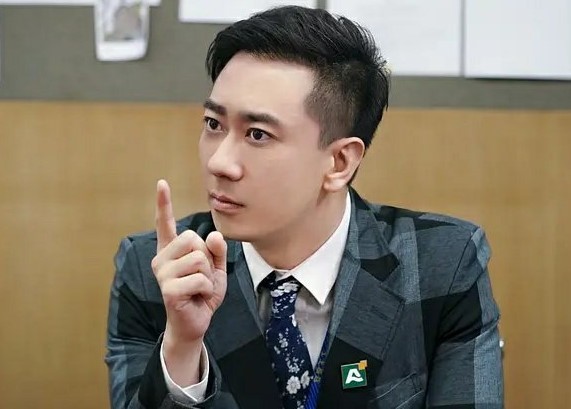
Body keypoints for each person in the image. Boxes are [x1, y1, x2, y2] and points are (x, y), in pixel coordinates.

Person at [105, 5, 503, 409]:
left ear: (339, 162)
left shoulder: (442, 265)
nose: (219, 162)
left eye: (257, 134)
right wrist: (182, 348)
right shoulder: (156, 270)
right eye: (213, 124)